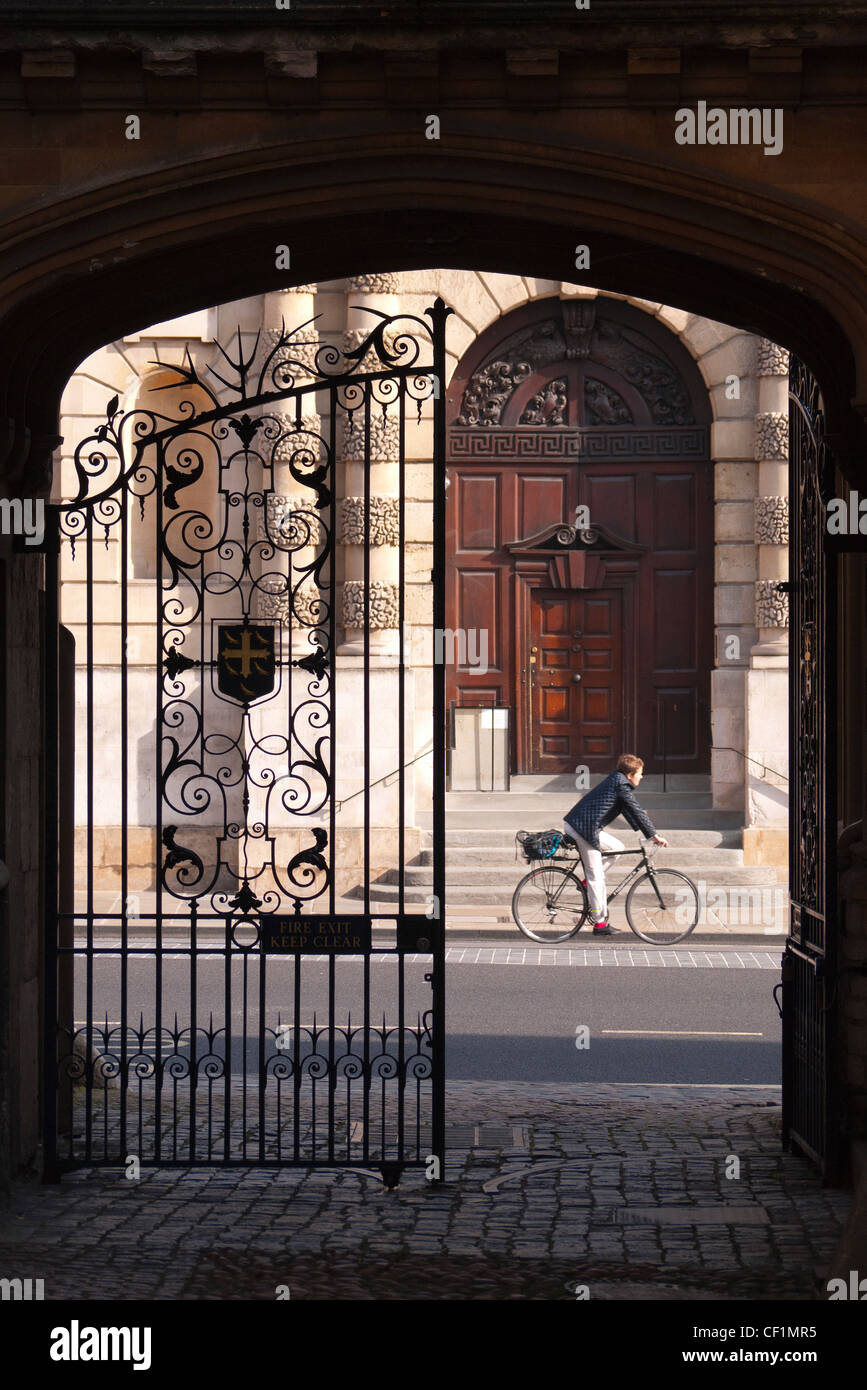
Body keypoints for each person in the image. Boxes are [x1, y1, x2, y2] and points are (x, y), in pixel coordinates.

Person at [562, 754, 668, 936]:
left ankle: (587, 883)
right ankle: (599, 924)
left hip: (586, 825)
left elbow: (630, 811)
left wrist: (648, 833)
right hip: (582, 828)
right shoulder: (621, 785)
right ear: (630, 774)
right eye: (640, 773)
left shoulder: (618, 783)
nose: (641, 777)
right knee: (597, 877)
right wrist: (654, 835)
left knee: (617, 848)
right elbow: (636, 809)